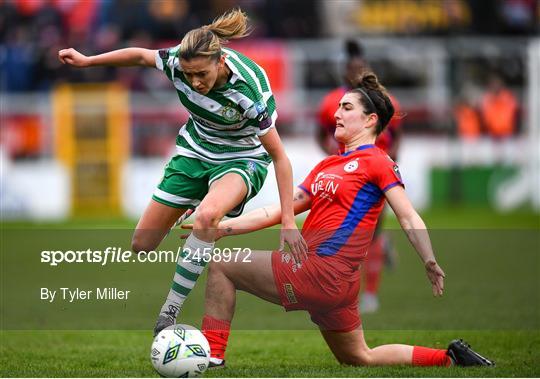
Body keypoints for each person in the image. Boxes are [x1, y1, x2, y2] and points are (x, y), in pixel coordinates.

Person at [184, 71, 494, 368]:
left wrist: (428, 259)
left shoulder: (377, 162)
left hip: (321, 272)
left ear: (370, 120)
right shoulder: (327, 165)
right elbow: (279, 210)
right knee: (359, 357)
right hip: (337, 285)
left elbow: (408, 215)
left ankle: (212, 354)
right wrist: (221, 227)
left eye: (347, 108)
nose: (337, 114)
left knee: (222, 265)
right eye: (338, 108)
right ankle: (449, 357)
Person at [58, 8, 307, 336]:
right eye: (189, 75)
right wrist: (89, 61)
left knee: (207, 218)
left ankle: (169, 310)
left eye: (201, 74)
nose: (195, 82)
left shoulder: (249, 90)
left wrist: (289, 221)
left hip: (242, 158)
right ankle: (192, 203)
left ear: (220, 62)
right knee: (142, 245)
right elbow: (141, 56)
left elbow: (280, 157)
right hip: (195, 150)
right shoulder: (178, 60)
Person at [317, 39, 403, 313]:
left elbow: (398, 136)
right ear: (345, 72)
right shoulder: (334, 102)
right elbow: (321, 133)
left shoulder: (385, 102)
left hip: (375, 177)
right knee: (344, 234)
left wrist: (390, 164)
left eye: (360, 69)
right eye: (351, 70)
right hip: (347, 177)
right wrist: (333, 157)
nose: (356, 74)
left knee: (371, 234)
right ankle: (341, 290)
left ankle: (370, 294)